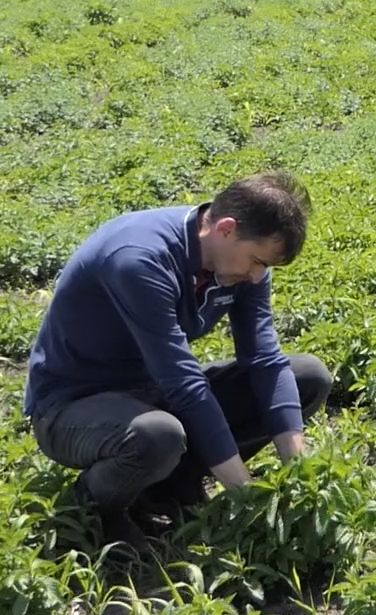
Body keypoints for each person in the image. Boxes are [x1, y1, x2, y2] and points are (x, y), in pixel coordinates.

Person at [22, 171, 333, 553]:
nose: (257, 276)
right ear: (226, 229)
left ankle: (173, 484)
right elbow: (184, 384)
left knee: (306, 377)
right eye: (255, 260)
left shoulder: (242, 268)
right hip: (73, 404)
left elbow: (265, 361)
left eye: (266, 266)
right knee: (158, 435)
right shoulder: (139, 259)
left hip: (151, 389)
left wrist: (299, 473)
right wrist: (247, 494)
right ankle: (97, 507)